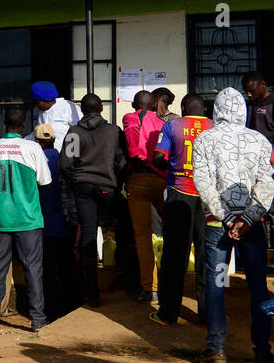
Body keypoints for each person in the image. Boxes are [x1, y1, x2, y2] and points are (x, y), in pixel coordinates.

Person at [192, 86, 274, 363]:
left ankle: (216, 350)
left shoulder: (204, 140)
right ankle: (262, 352)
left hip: (218, 226)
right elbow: (266, 184)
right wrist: (247, 218)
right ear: (242, 110)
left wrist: (227, 218)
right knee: (258, 287)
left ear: (216, 111)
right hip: (253, 227)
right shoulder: (260, 140)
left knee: (217, 285)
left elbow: (203, 183)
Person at [0, 108, 50, 332]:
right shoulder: (32, 147)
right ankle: (38, 319)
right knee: (33, 269)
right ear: (23, 126)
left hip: (2, 217)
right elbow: (44, 180)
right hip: (28, 218)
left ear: (5, 125)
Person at [60, 93, 127, 308]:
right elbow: (123, 162)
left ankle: (92, 293)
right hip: (108, 188)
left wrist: (78, 180)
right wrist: (117, 182)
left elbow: (66, 165)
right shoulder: (113, 131)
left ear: (82, 110)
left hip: (83, 188)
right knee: (127, 226)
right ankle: (128, 280)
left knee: (88, 235)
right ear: (100, 109)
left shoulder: (75, 132)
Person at [152, 93, 212, 326]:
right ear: (204, 108)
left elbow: (158, 158)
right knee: (207, 258)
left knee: (174, 256)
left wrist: (173, 169)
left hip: (180, 194)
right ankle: (208, 316)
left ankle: (168, 313)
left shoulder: (172, 125)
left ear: (184, 108)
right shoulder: (214, 127)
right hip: (209, 199)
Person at [123, 89, 167, 302]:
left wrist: (135, 156)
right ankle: (170, 284)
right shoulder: (162, 123)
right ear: (154, 105)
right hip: (162, 179)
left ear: (134, 105)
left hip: (138, 179)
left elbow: (132, 139)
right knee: (171, 233)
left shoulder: (131, 117)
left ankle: (150, 288)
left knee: (142, 236)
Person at [37, 123, 79, 320]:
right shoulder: (63, 159)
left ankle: (49, 311)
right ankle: (69, 308)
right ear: (54, 140)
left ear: (37, 141)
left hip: (43, 227)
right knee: (67, 269)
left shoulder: (35, 161)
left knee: (46, 271)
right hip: (65, 223)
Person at [31, 80, 79, 152]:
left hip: (64, 157)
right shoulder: (37, 110)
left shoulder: (68, 107)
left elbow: (80, 131)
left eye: (37, 101)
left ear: (44, 100)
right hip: (42, 156)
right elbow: (35, 133)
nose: (36, 104)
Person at [244, 72, 274, 147]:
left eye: (251, 90)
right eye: (246, 91)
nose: (248, 94)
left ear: (263, 84)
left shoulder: (272, 104)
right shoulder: (248, 106)